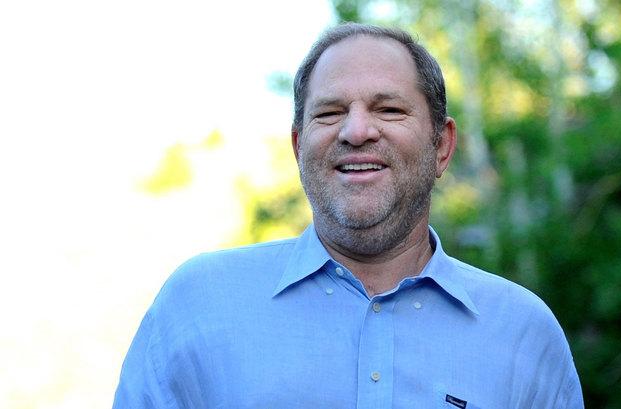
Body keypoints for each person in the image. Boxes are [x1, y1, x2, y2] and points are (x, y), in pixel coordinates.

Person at [113, 23, 583, 408]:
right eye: (330, 112)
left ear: (441, 146)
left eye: (389, 109)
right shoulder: (197, 307)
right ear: (298, 146)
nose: (356, 131)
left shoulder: (524, 334)